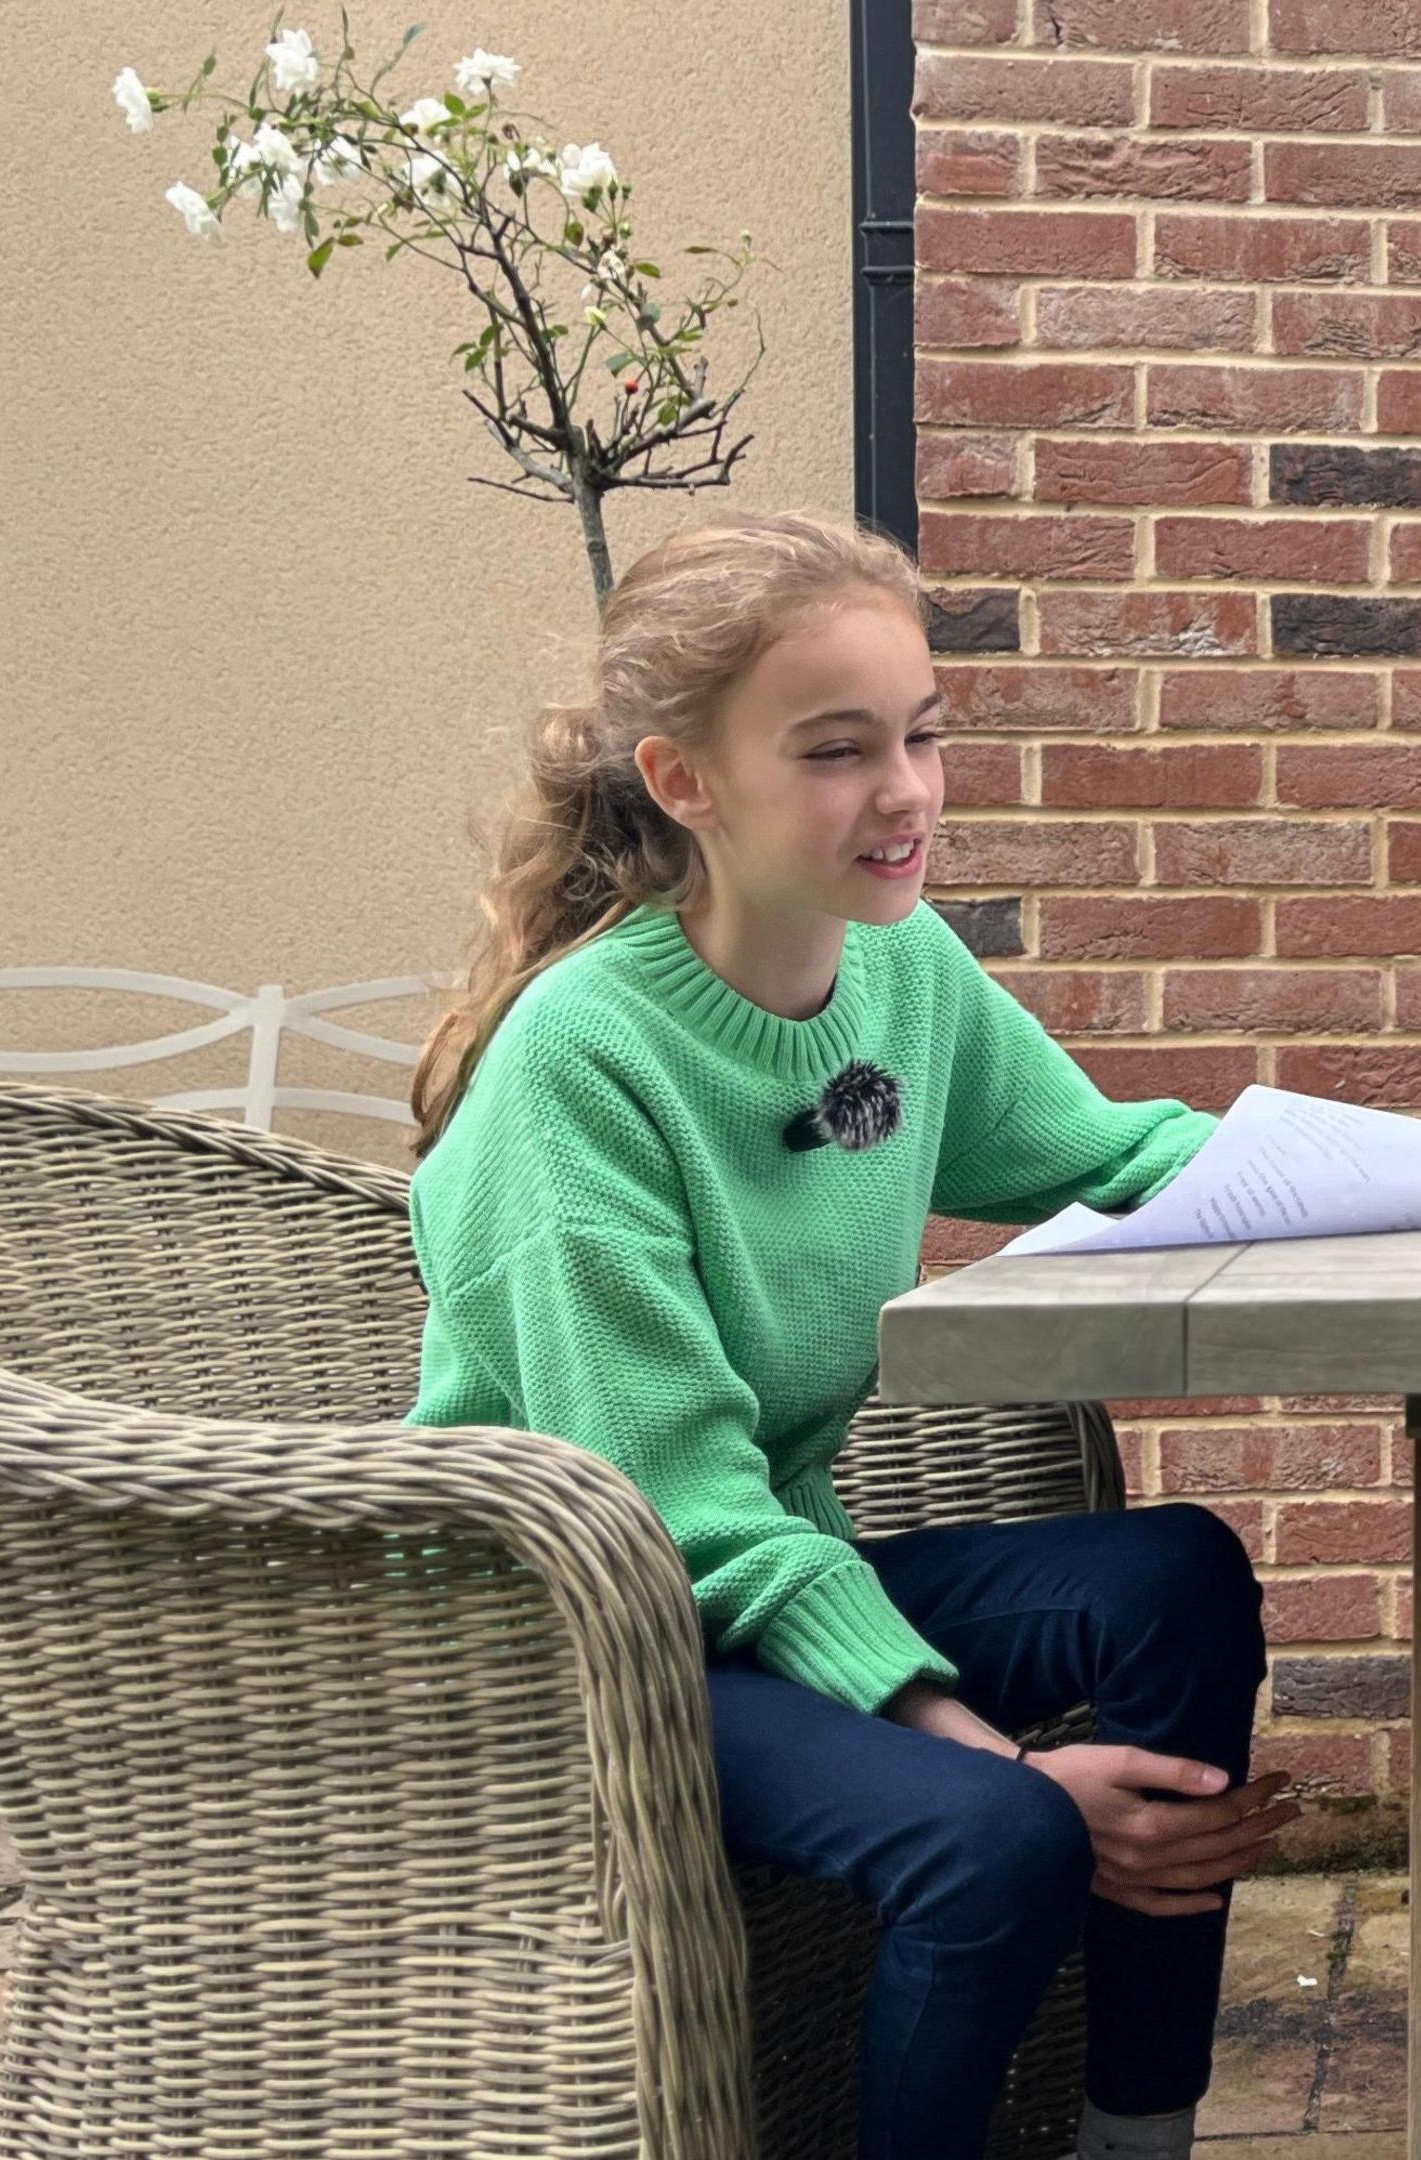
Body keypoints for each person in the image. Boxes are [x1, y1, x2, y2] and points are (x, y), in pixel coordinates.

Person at [404, 512, 1286, 2160]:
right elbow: (674, 1508)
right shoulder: (579, 1068)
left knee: (1174, 1574)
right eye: (836, 751)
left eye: (923, 736)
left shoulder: (903, 976)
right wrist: (1002, 1765)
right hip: (575, 1641)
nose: (906, 793)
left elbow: (1109, 1156)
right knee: (993, 1838)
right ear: (683, 780)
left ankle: (1129, 2132)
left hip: (748, 1580)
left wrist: (1385, 1179)